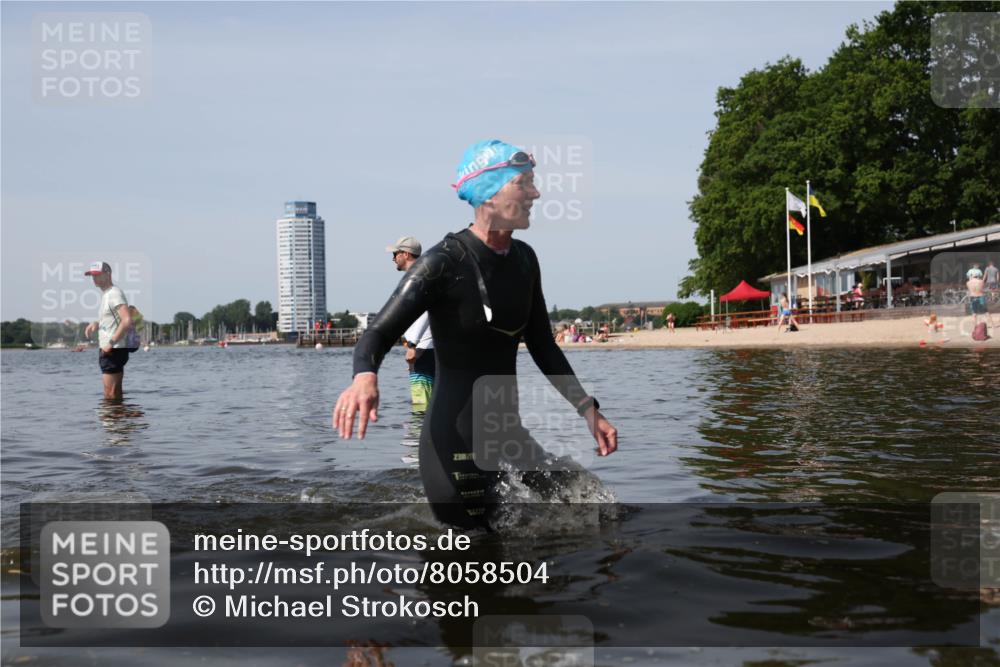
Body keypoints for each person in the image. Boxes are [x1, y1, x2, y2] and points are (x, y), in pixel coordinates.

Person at [332, 139, 618, 528]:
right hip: (453, 448)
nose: (536, 193)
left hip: (508, 437)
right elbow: (378, 333)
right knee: (476, 556)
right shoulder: (441, 263)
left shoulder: (525, 260)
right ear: (490, 193)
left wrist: (589, 410)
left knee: (595, 510)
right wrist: (365, 377)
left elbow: (542, 346)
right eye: (525, 183)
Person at [387, 236, 436, 411]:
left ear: (406, 254)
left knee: (421, 404)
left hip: (422, 348)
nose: (393, 258)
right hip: (428, 346)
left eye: (395, 254)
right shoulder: (424, 274)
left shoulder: (417, 278)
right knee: (431, 402)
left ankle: (417, 438)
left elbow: (425, 312)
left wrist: (413, 344)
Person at [83, 262, 134, 400]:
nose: (94, 278)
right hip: (112, 349)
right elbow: (114, 320)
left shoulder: (114, 294)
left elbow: (126, 320)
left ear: (108, 274)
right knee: (113, 394)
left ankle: (111, 421)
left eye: (97, 274)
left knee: (110, 394)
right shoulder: (108, 294)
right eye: (92, 275)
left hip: (113, 349)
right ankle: (118, 419)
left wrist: (110, 343)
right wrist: (97, 324)